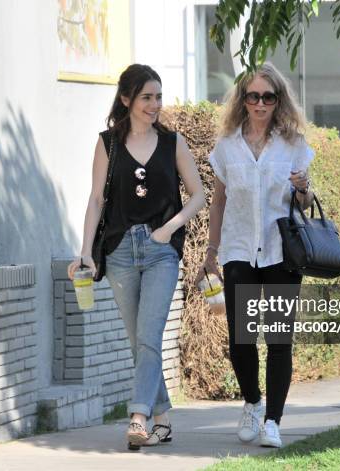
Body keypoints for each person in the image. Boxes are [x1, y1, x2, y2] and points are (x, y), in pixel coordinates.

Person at [68, 64, 205, 450]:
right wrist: (86, 253)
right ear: (126, 99)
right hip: (120, 252)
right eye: (146, 97)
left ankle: (139, 416)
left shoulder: (173, 143)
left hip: (161, 251)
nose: (154, 104)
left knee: (149, 336)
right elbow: (96, 200)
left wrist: (169, 227)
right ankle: (163, 420)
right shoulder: (107, 144)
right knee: (139, 341)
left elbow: (198, 195)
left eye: (158, 96)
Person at [196, 62, 315, 448]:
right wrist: (211, 250)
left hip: (281, 252)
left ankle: (273, 422)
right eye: (253, 96)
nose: (260, 103)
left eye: (268, 96)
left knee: (279, 339)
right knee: (242, 340)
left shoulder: (293, 144)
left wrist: (303, 188)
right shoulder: (227, 146)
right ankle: (251, 400)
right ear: (242, 100)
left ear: (278, 100)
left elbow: (305, 201)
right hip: (238, 251)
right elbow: (218, 204)